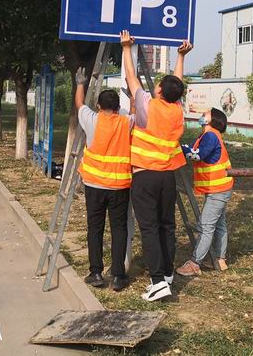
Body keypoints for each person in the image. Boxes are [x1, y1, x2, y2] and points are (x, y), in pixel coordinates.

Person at [120, 30, 192, 302]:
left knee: (149, 228)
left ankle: (158, 281)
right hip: (167, 178)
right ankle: (168, 274)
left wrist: (125, 48)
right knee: (167, 226)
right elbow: (177, 84)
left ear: (159, 90)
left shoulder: (148, 106)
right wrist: (181, 57)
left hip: (145, 177)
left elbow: (131, 76)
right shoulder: (177, 111)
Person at [74, 67, 134, 291]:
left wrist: (80, 83)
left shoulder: (92, 119)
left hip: (94, 184)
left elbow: (79, 104)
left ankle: (96, 273)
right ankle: (118, 276)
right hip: (119, 185)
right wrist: (131, 95)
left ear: (99, 106)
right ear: (118, 108)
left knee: (95, 227)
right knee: (119, 229)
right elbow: (136, 112)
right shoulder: (125, 122)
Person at [176, 107, 234, 276]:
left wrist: (178, 147)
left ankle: (195, 263)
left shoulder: (210, 135)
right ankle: (220, 259)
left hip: (218, 189)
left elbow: (197, 155)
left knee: (206, 226)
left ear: (213, 120)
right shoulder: (208, 135)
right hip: (220, 187)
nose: (203, 113)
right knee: (219, 224)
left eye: (206, 112)